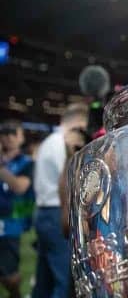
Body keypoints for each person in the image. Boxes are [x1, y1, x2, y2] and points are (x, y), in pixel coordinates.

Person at [33, 102, 89, 298]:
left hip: (43, 212)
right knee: (63, 279)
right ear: (77, 122)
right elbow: (66, 181)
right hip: (56, 214)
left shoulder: (48, 141)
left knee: (45, 277)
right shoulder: (61, 144)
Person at [0, 120, 35, 298]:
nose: (9, 137)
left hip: (15, 221)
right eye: (5, 133)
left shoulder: (26, 162)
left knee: (10, 273)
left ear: (20, 137)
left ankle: (16, 294)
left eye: (13, 133)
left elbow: (20, 187)